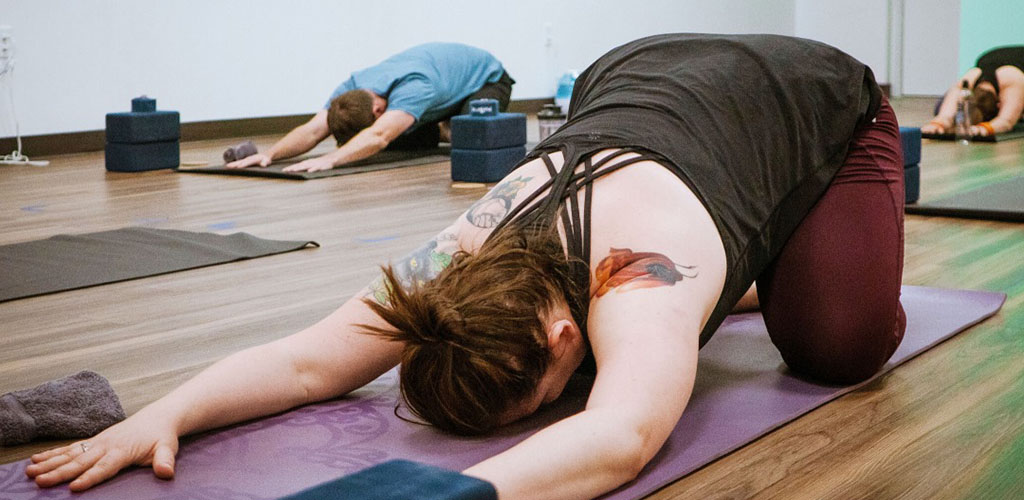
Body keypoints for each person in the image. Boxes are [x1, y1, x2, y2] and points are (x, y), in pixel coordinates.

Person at [26, 34, 906, 499]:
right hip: (633, 78)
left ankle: (788, 254)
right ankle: (745, 271)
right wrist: (162, 413)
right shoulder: (456, 255)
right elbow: (305, 362)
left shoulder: (640, 279)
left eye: (539, 397)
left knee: (837, 348)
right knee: (691, 313)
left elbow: (624, 437)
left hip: (814, 97)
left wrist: (437, 498)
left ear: (567, 331)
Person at [226, 42, 513, 173]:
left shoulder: (414, 86)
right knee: (387, 141)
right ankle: (439, 126)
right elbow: (313, 130)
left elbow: (378, 136)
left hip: (486, 80)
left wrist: (332, 159)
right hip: (439, 91)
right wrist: (269, 154)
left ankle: (449, 128)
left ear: (377, 111)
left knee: (469, 139)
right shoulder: (350, 88)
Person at [921, 45, 1024, 137]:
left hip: (1016, 63)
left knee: (1016, 113)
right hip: (991, 57)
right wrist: (936, 124)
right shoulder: (968, 81)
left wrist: (985, 129)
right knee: (940, 108)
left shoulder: (1013, 83)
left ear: (999, 105)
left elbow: (1006, 122)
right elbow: (944, 116)